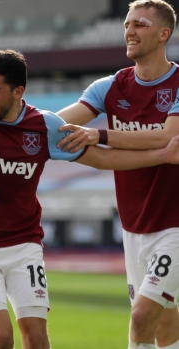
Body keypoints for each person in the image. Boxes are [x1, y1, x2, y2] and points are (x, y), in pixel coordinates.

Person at [0, 49, 179, 349]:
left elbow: (102, 159)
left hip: (24, 246)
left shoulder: (43, 126)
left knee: (36, 338)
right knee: (0, 337)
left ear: (18, 91)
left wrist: (163, 156)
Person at [56, 1, 179, 348]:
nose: (129, 30)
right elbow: (59, 125)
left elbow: (169, 137)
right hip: (134, 225)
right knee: (164, 315)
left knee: (141, 316)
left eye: (140, 24)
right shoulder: (108, 87)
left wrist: (101, 134)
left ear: (163, 34)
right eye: (127, 24)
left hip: (174, 222)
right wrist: (22, 123)